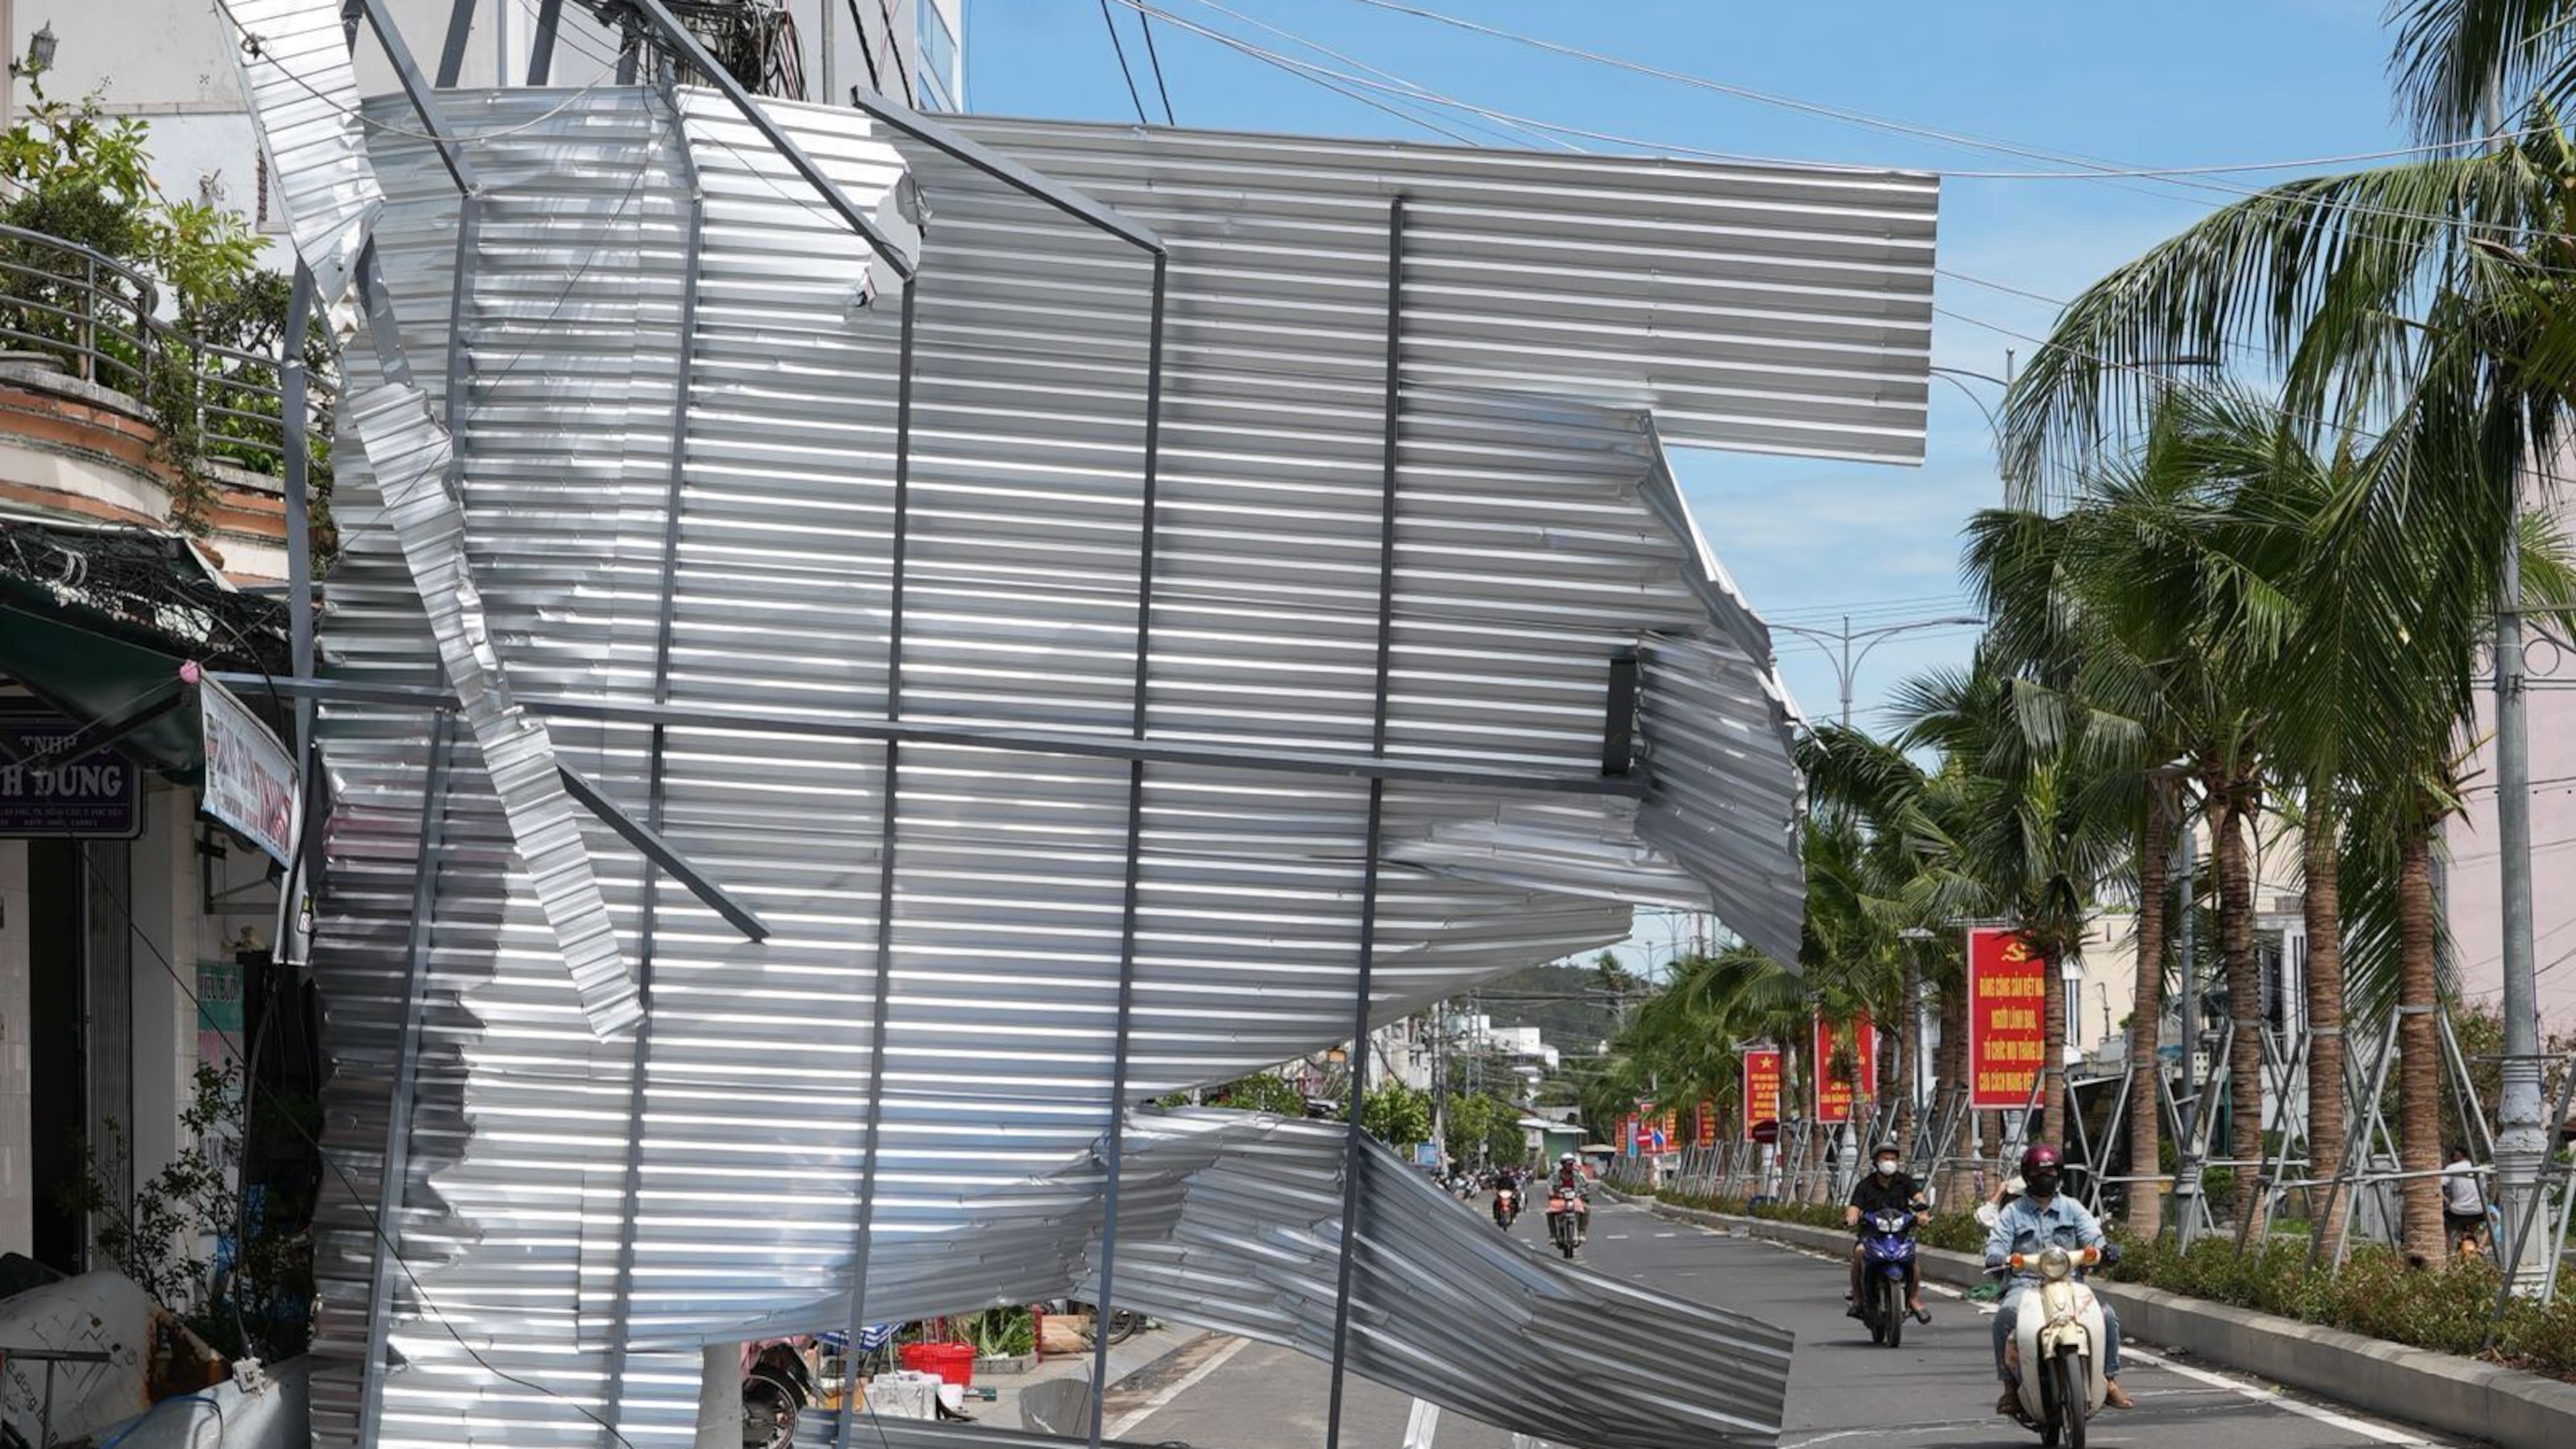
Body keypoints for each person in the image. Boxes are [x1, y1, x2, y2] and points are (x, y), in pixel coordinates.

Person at [1982, 1144, 2136, 1414]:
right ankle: (2009, 1389)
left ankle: (2109, 1381)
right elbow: (1997, 1243)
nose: (2046, 1177)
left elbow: (2093, 1236)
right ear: (2027, 1176)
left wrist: (2104, 1250)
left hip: (2070, 1283)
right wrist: (1996, 1256)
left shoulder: (2072, 1208)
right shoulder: (2013, 1212)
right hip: (2026, 1285)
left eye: (2051, 1172)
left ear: (2059, 1174)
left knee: (2107, 1315)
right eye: (2039, 1172)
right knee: (2005, 1317)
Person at [1844, 1141, 1931, 1323]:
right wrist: (1852, 1216)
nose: (1889, 1162)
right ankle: (1858, 1298)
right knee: (1859, 1253)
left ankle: (1914, 1299)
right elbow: (1854, 1206)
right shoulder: (1865, 1185)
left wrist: (1922, 1213)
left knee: (1912, 1259)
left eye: (1893, 1159)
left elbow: (1918, 1197)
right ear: (1876, 1162)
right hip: (1872, 1234)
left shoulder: (1905, 1181)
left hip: (1899, 1233)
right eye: (1885, 1159)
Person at [2442, 1145, 2487, 1256]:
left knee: (2440, 1221)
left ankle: (2450, 1251)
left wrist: (2446, 1200)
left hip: (2457, 1212)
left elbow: (2438, 1185)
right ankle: (2481, 1246)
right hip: (2478, 1211)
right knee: (2494, 1220)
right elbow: (2484, 1190)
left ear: (2457, 1155)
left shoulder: (2451, 1168)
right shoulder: (2478, 1169)